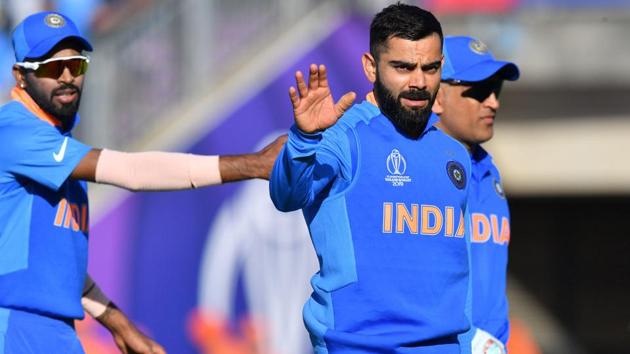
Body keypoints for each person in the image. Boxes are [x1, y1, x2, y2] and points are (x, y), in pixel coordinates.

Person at [0, 11, 284, 353]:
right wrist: (253, 165)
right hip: (18, 326)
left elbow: (58, 265)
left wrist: (118, 323)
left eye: (76, 65)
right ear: (20, 76)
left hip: (50, 330)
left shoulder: (53, 145)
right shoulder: (15, 131)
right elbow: (131, 171)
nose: (66, 77)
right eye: (50, 67)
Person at [270, 3, 475, 353]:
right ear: (370, 67)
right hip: (359, 346)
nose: (418, 82)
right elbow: (287, 195)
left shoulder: (454, 155)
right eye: (403, 67)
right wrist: (304, 140)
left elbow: (458, 269)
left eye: (430, 68)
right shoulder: (344, 137)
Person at [431, 35, 519, 354]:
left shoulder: (488, 170)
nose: (493, 101)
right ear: (437, 94)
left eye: (496, 89)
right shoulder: (412, 170)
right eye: (479, 90)